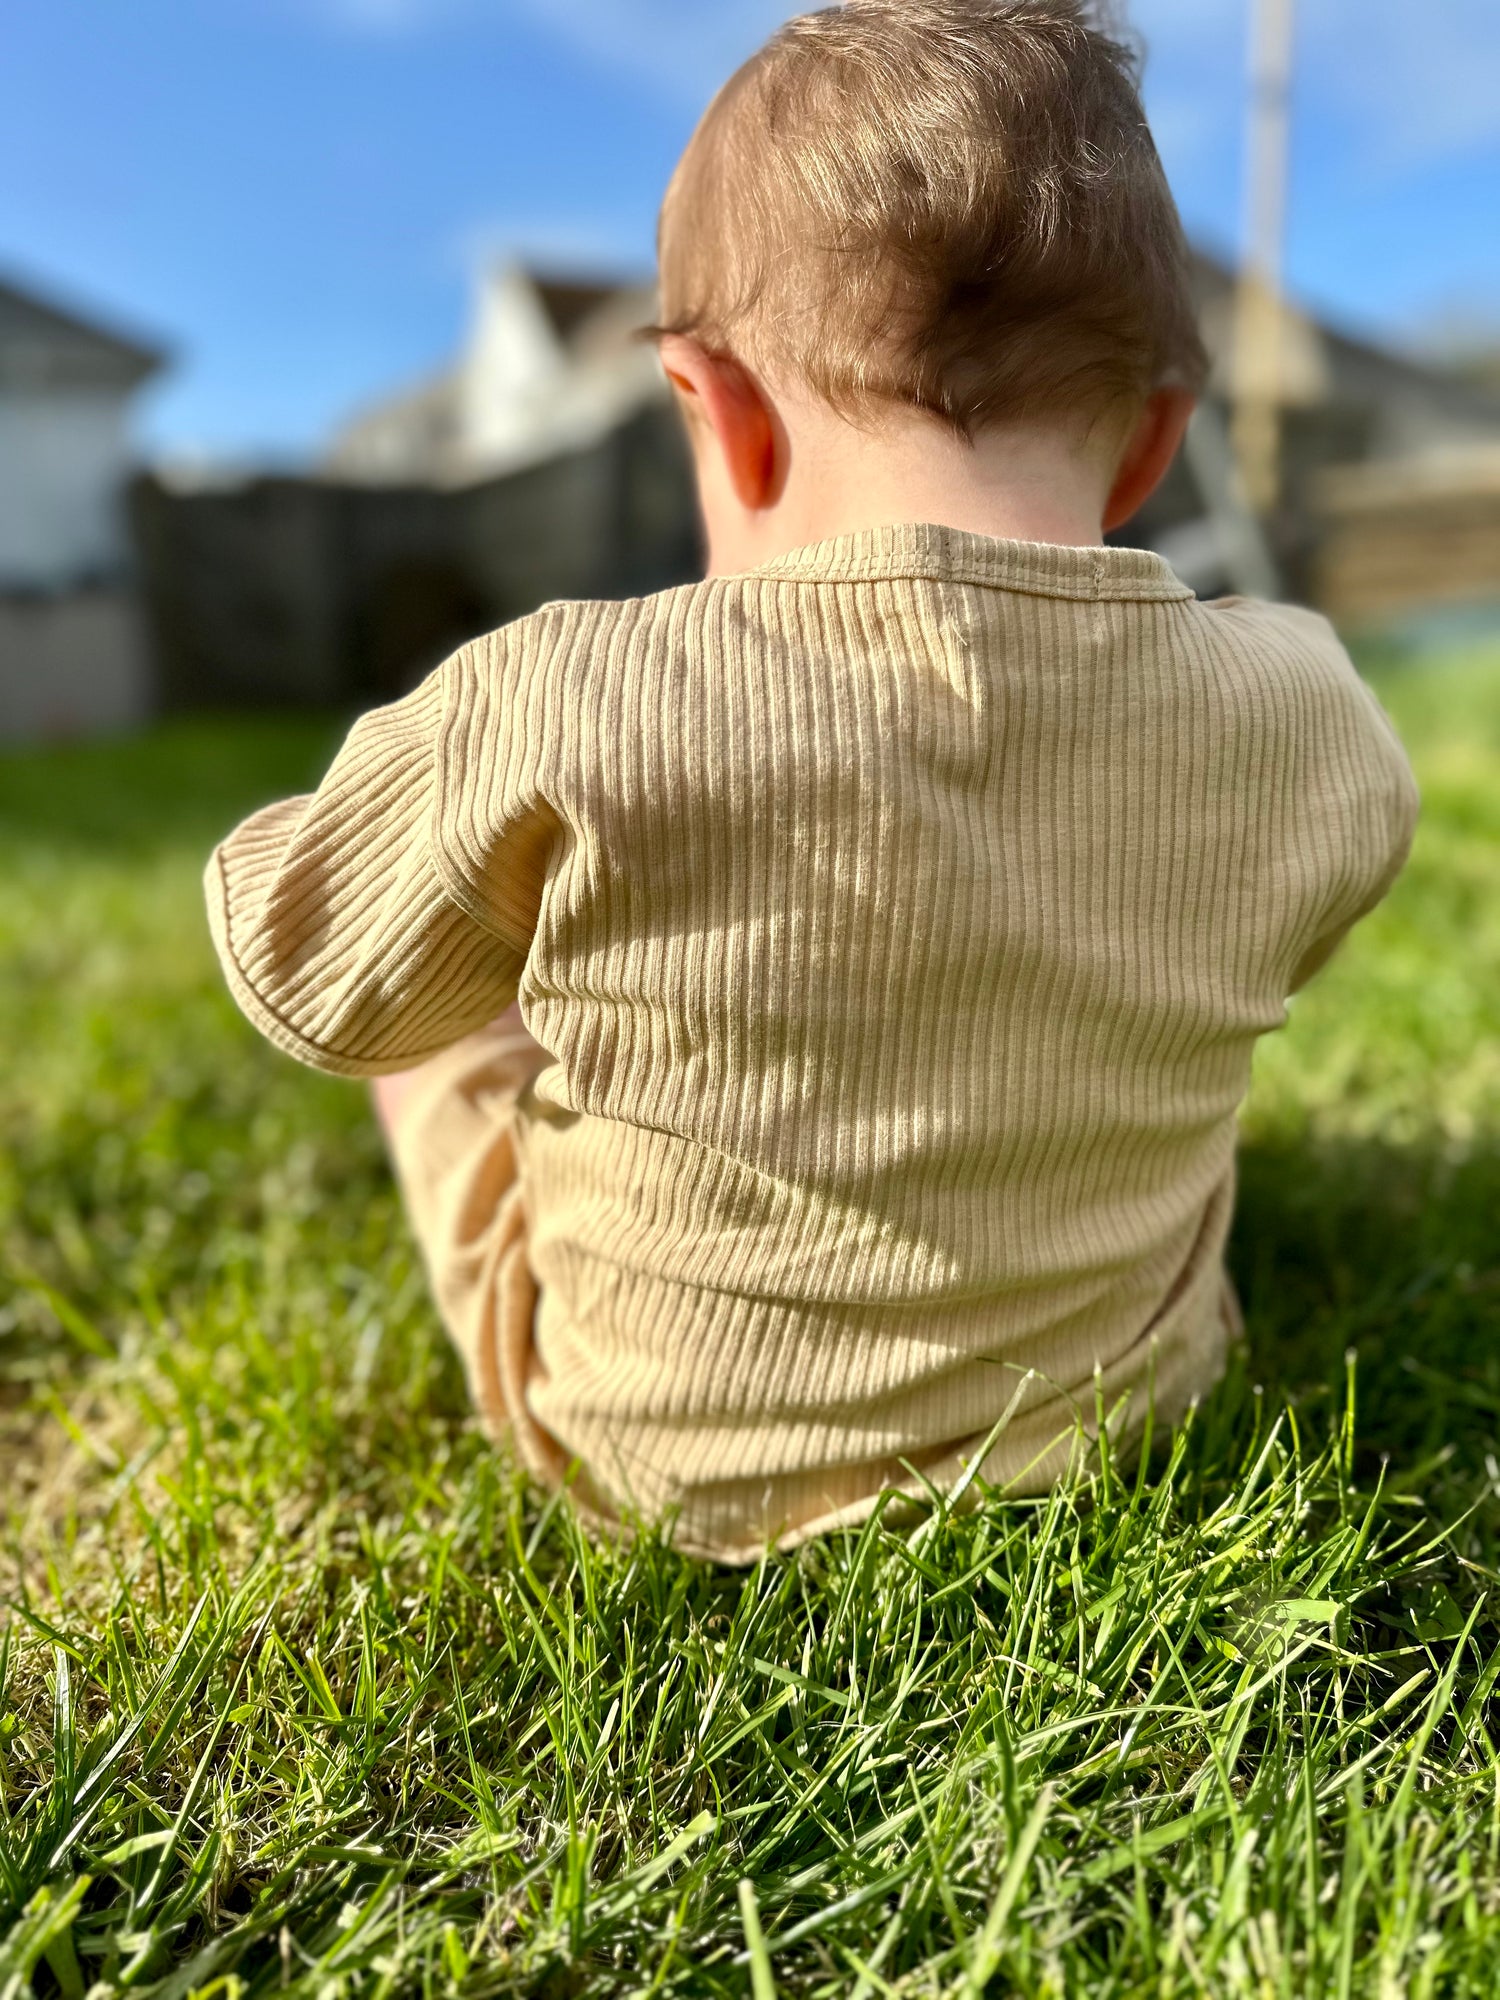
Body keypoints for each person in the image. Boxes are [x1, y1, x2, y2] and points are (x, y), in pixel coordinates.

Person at [205, 0, 1418, 1562]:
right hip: (1129, 1411)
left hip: (671, 1466)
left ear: (720, 415)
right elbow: (1299, 921)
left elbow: (312, 979)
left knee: (437, 1044)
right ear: (1149, 452)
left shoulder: (564, 697)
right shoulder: (1307, 710)